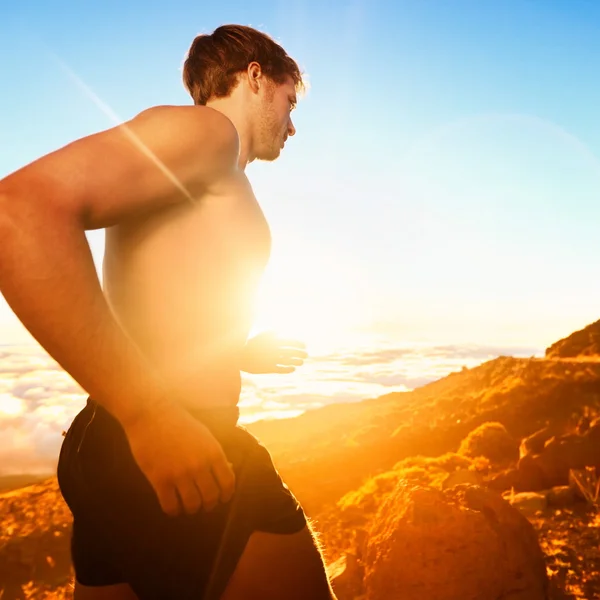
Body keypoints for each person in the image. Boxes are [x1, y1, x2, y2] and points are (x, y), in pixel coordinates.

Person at [0, 24, 338, 600]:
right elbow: (18, 212)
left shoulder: (208, 167)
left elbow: (162, 296)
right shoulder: (206, 133)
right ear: (256, 77)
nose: (293, 124)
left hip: (106, 446)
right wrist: (149, 414)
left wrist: (234, 352)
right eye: (290, 101)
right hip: (180, 440)